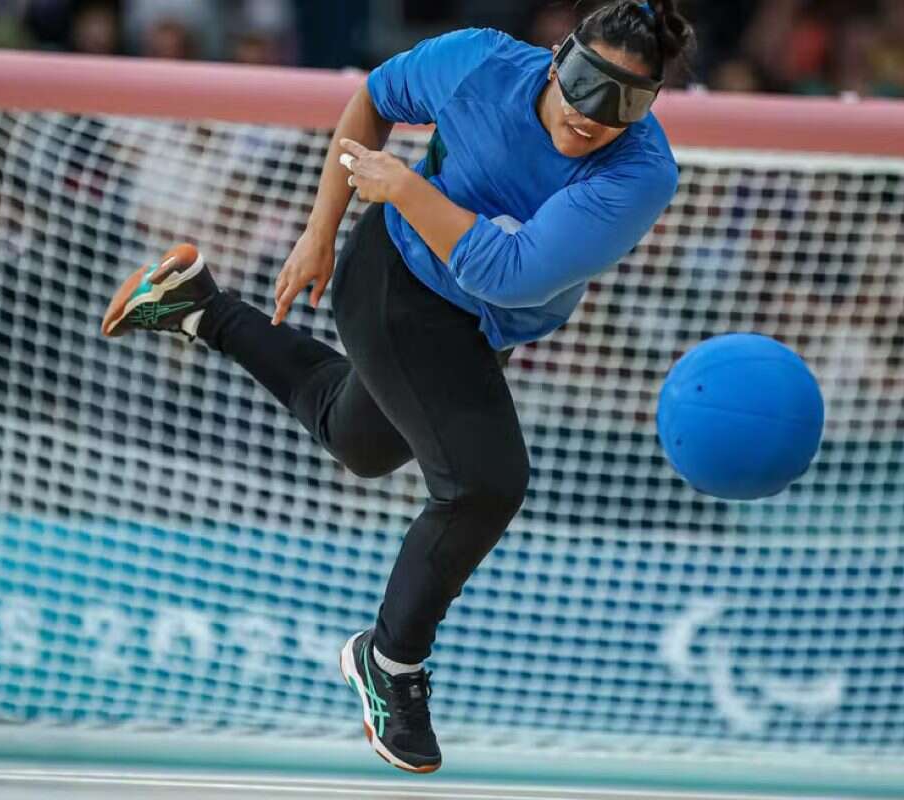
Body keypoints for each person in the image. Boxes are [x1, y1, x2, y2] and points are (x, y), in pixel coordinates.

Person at [101, 0, 691, 774]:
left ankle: (199, 306)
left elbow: (508, 275)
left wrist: (404, 187)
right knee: (485, 482)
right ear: (559, 55)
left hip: (481, 317)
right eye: (586, 81)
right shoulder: (480, 61)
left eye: (626, 101)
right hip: (396, 279)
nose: (591, 113)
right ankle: (391, 665)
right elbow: (374, 99)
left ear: (650, 110)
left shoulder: (641, 172)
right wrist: (320, 232)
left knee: (360, 439)